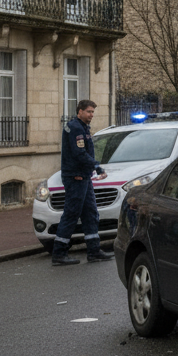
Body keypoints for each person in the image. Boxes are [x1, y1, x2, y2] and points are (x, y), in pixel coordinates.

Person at [52, 99, 113, 266]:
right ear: (80, 111)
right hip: (76, 177)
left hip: (83, 177)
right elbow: (79, 154)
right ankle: (59, 253)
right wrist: (96, 166)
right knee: (72, 213)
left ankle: (94, 251)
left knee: (91, 213)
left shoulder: (82, 127)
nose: (91, 115)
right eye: (88, 111)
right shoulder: (76, 128)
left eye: (93, 112)